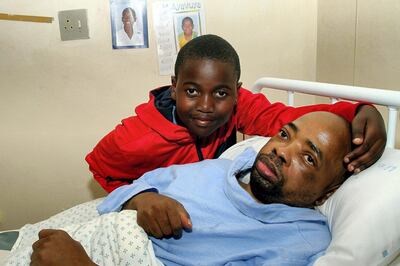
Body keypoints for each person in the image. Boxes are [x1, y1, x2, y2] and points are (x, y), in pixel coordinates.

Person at [28, 112, 353, 265]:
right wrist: (143, 201)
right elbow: (130, 191)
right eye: (284, 134)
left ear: (327, 191)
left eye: (308, 158)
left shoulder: (299, 241)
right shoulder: (218, 169)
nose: (282, 151)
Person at [86, 34, 386, 193]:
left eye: (220, 93)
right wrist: (138, 198)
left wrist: (357, 110)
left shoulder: (239, 107)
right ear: (174, 87)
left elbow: (288, 118)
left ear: (236, 91)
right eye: (192, 91)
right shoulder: (135, 137)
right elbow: (100, 169)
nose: (206, 105)